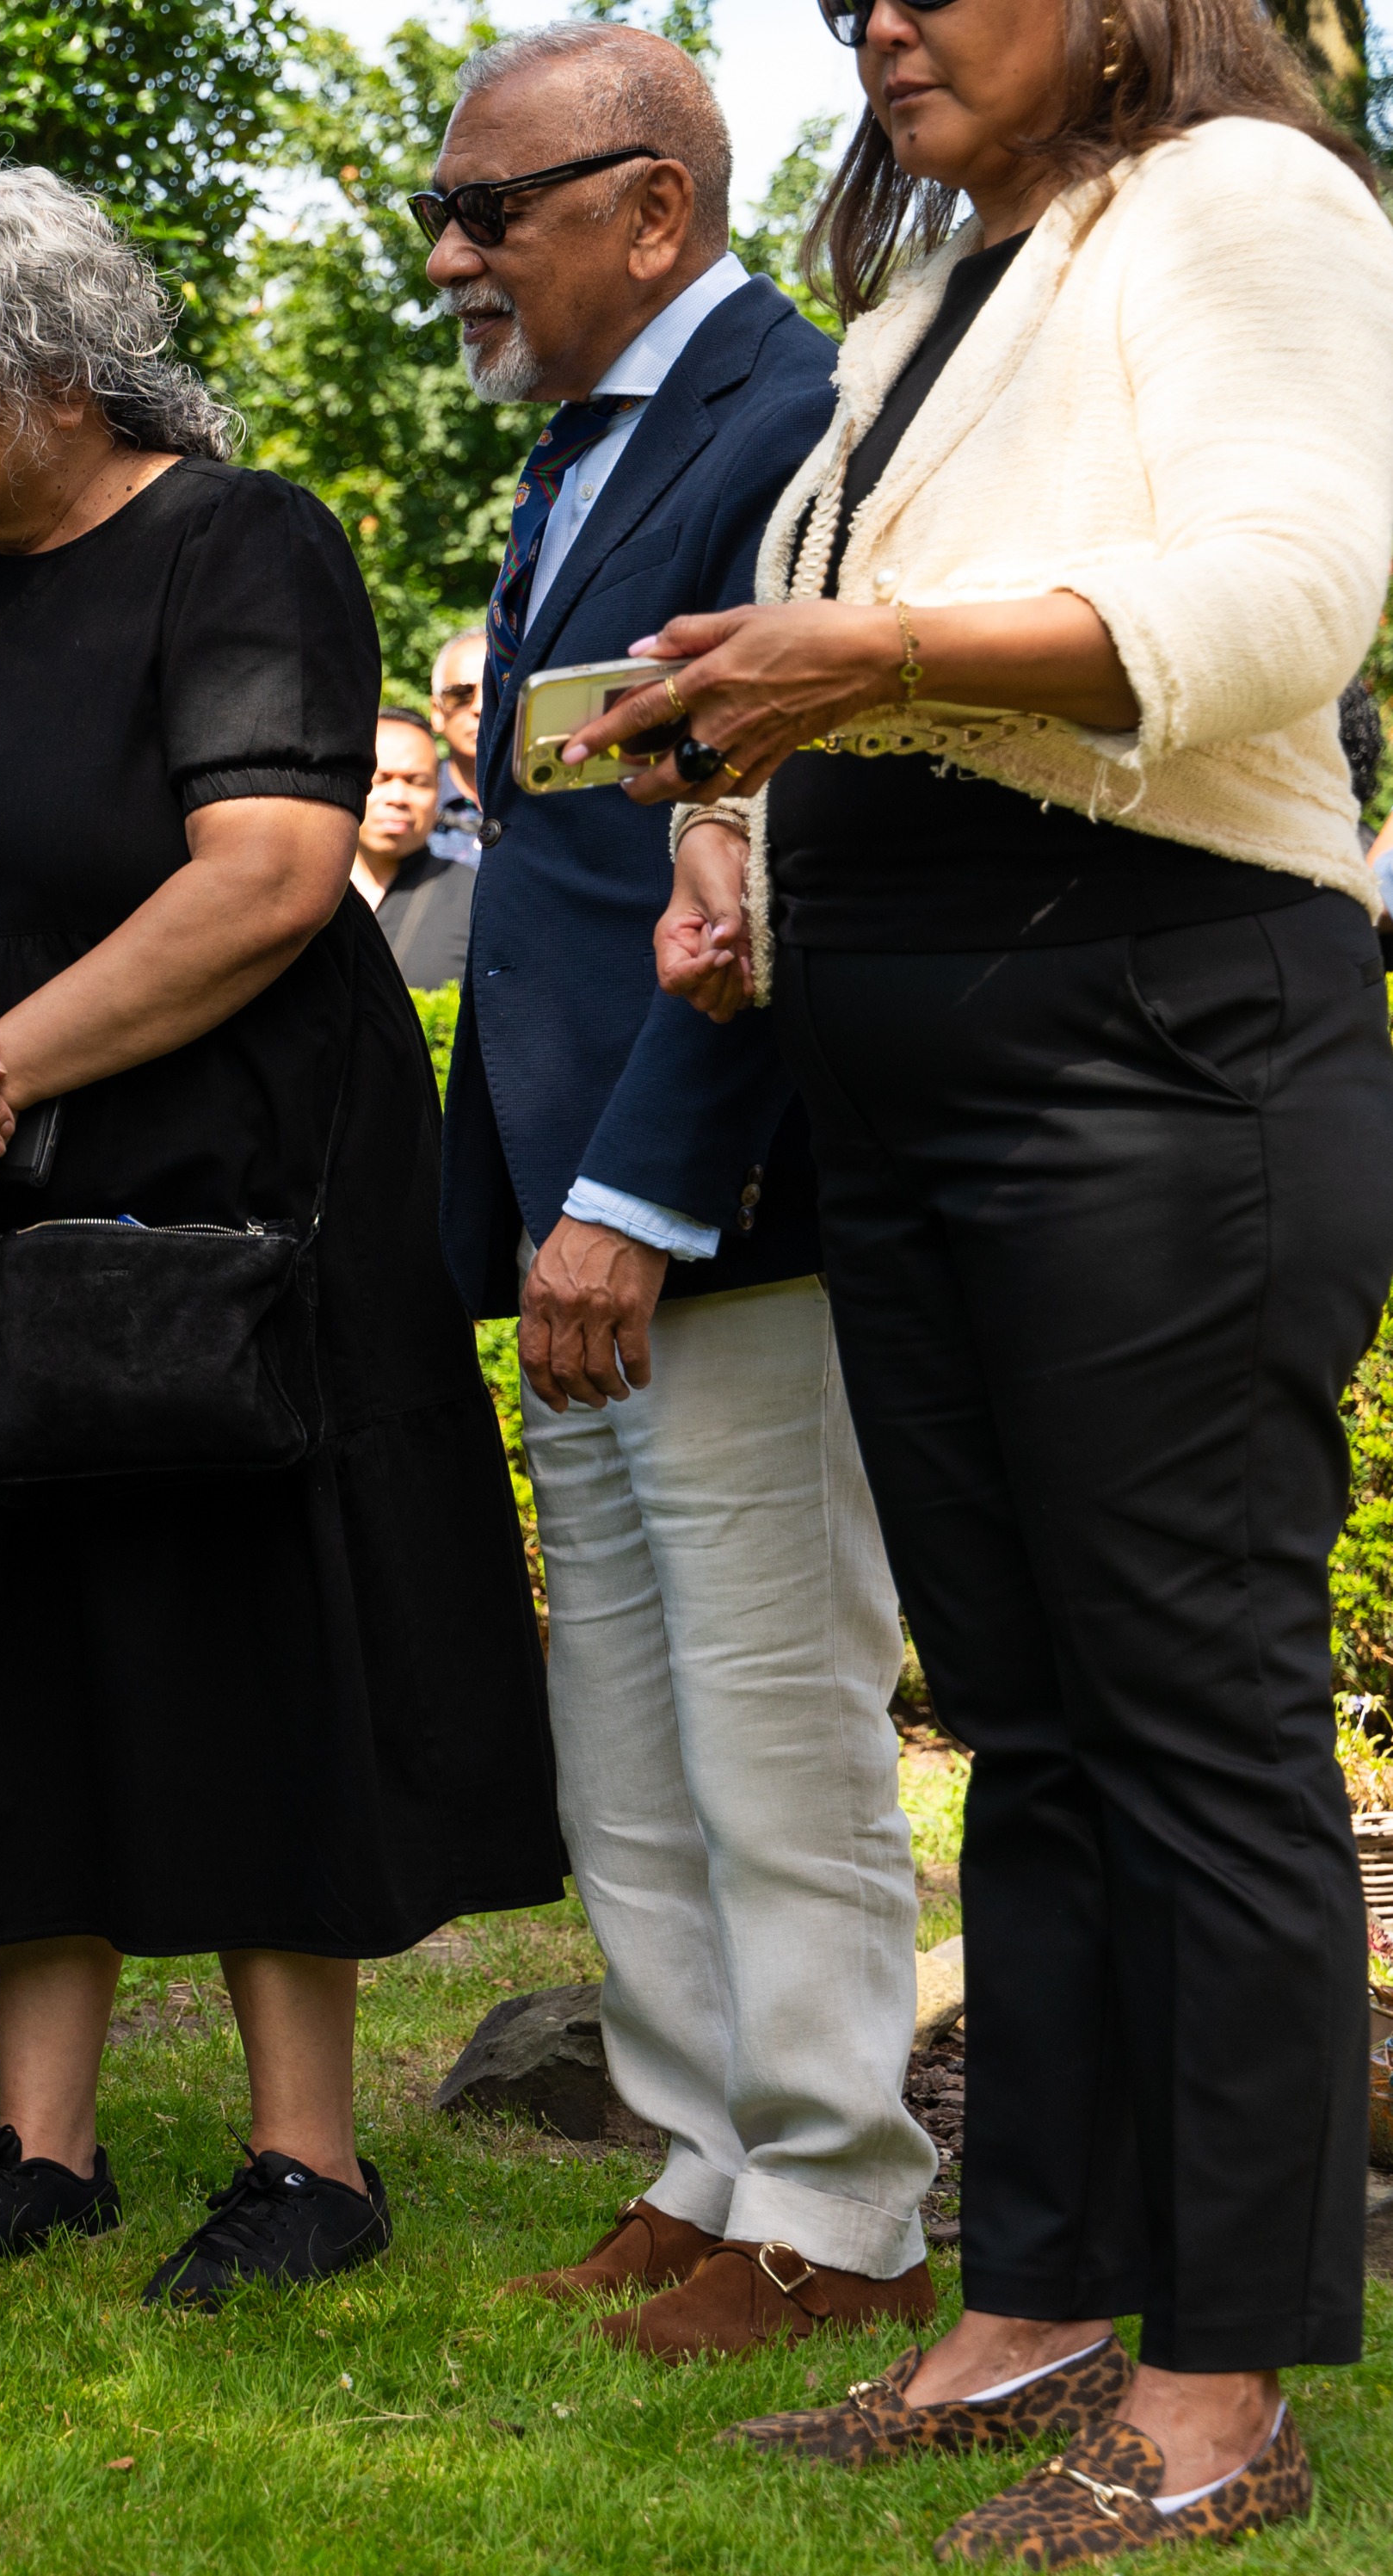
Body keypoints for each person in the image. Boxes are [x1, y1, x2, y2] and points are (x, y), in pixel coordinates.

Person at [589, 0, 1393, 2547]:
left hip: (1151, 1033)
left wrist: (877, 660)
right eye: (840, 2)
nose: (876, 19)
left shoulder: (1245, 203)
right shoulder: (938, 292)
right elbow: (862, 665)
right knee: (1030, 1727)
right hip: (921, 1050)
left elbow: (1279, 605)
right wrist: (743, 816)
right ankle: (1035, 2284)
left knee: (1192, 1724)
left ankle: (1221, 2383)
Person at [0, 166, 558, 2305]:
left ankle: (309, 2156)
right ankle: (40, 2141)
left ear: (42, 365)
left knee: (238, 1622)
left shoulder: (238, 539)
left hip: (216, 1171)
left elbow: (271, 871)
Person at [420, 21, 933, 2364]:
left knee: (763, 1713)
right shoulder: (588, 444)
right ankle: (703, 2148)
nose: (450, 253)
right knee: (623, 1715)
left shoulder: (791, 426)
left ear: (651, 208)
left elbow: (769, 855)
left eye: (486, 209)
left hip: (720, 1192)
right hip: (569, 1184)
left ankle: (838, 2207)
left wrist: (638, 1191)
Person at [355, 707, 474, 986]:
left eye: (417, 783)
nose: (398, 797)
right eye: (381, 779)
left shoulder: (473, 898)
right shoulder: (304, 889)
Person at [428, 627, 492, 868]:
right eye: (461, 694)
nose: (480, 707)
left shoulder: (554, 800)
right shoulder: (406, 800)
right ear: (437, 712)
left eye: (495, 690)